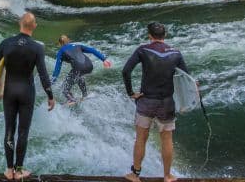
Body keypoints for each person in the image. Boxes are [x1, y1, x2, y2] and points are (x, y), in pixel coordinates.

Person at [0, 12, 55, 180]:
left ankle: (9, 169)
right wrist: (50, 95)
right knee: (23, 131)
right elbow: (43, 75)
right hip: (27, 92)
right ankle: (19, 171)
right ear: (34, 26)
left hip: (9, 92)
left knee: (9, 130)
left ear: (19, 24)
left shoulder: (6, 43)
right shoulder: (37, 48)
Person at [122, 22, 189, 182]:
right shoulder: (176, 53)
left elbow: (125, 71)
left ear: (149, 36)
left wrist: (131, 93)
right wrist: (187, 100)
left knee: (141, 138)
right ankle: (167, 176)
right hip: (166, 102)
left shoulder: (143, 50)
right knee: (166, 139)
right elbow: (187, 78)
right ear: (164, 36)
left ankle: (135, 175)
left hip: (146, 100)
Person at [51, 35, 111, 105]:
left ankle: (71, 99)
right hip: (89, 66)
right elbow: (93, 50)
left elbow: (57, 69)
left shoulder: (61, 52)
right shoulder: (77, 46)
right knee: (79, 76)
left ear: (60, 44)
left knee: (64, 88)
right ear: (69, 40)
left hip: (79, 68)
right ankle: (85, 95)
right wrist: (104, 59)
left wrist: (52, 81)